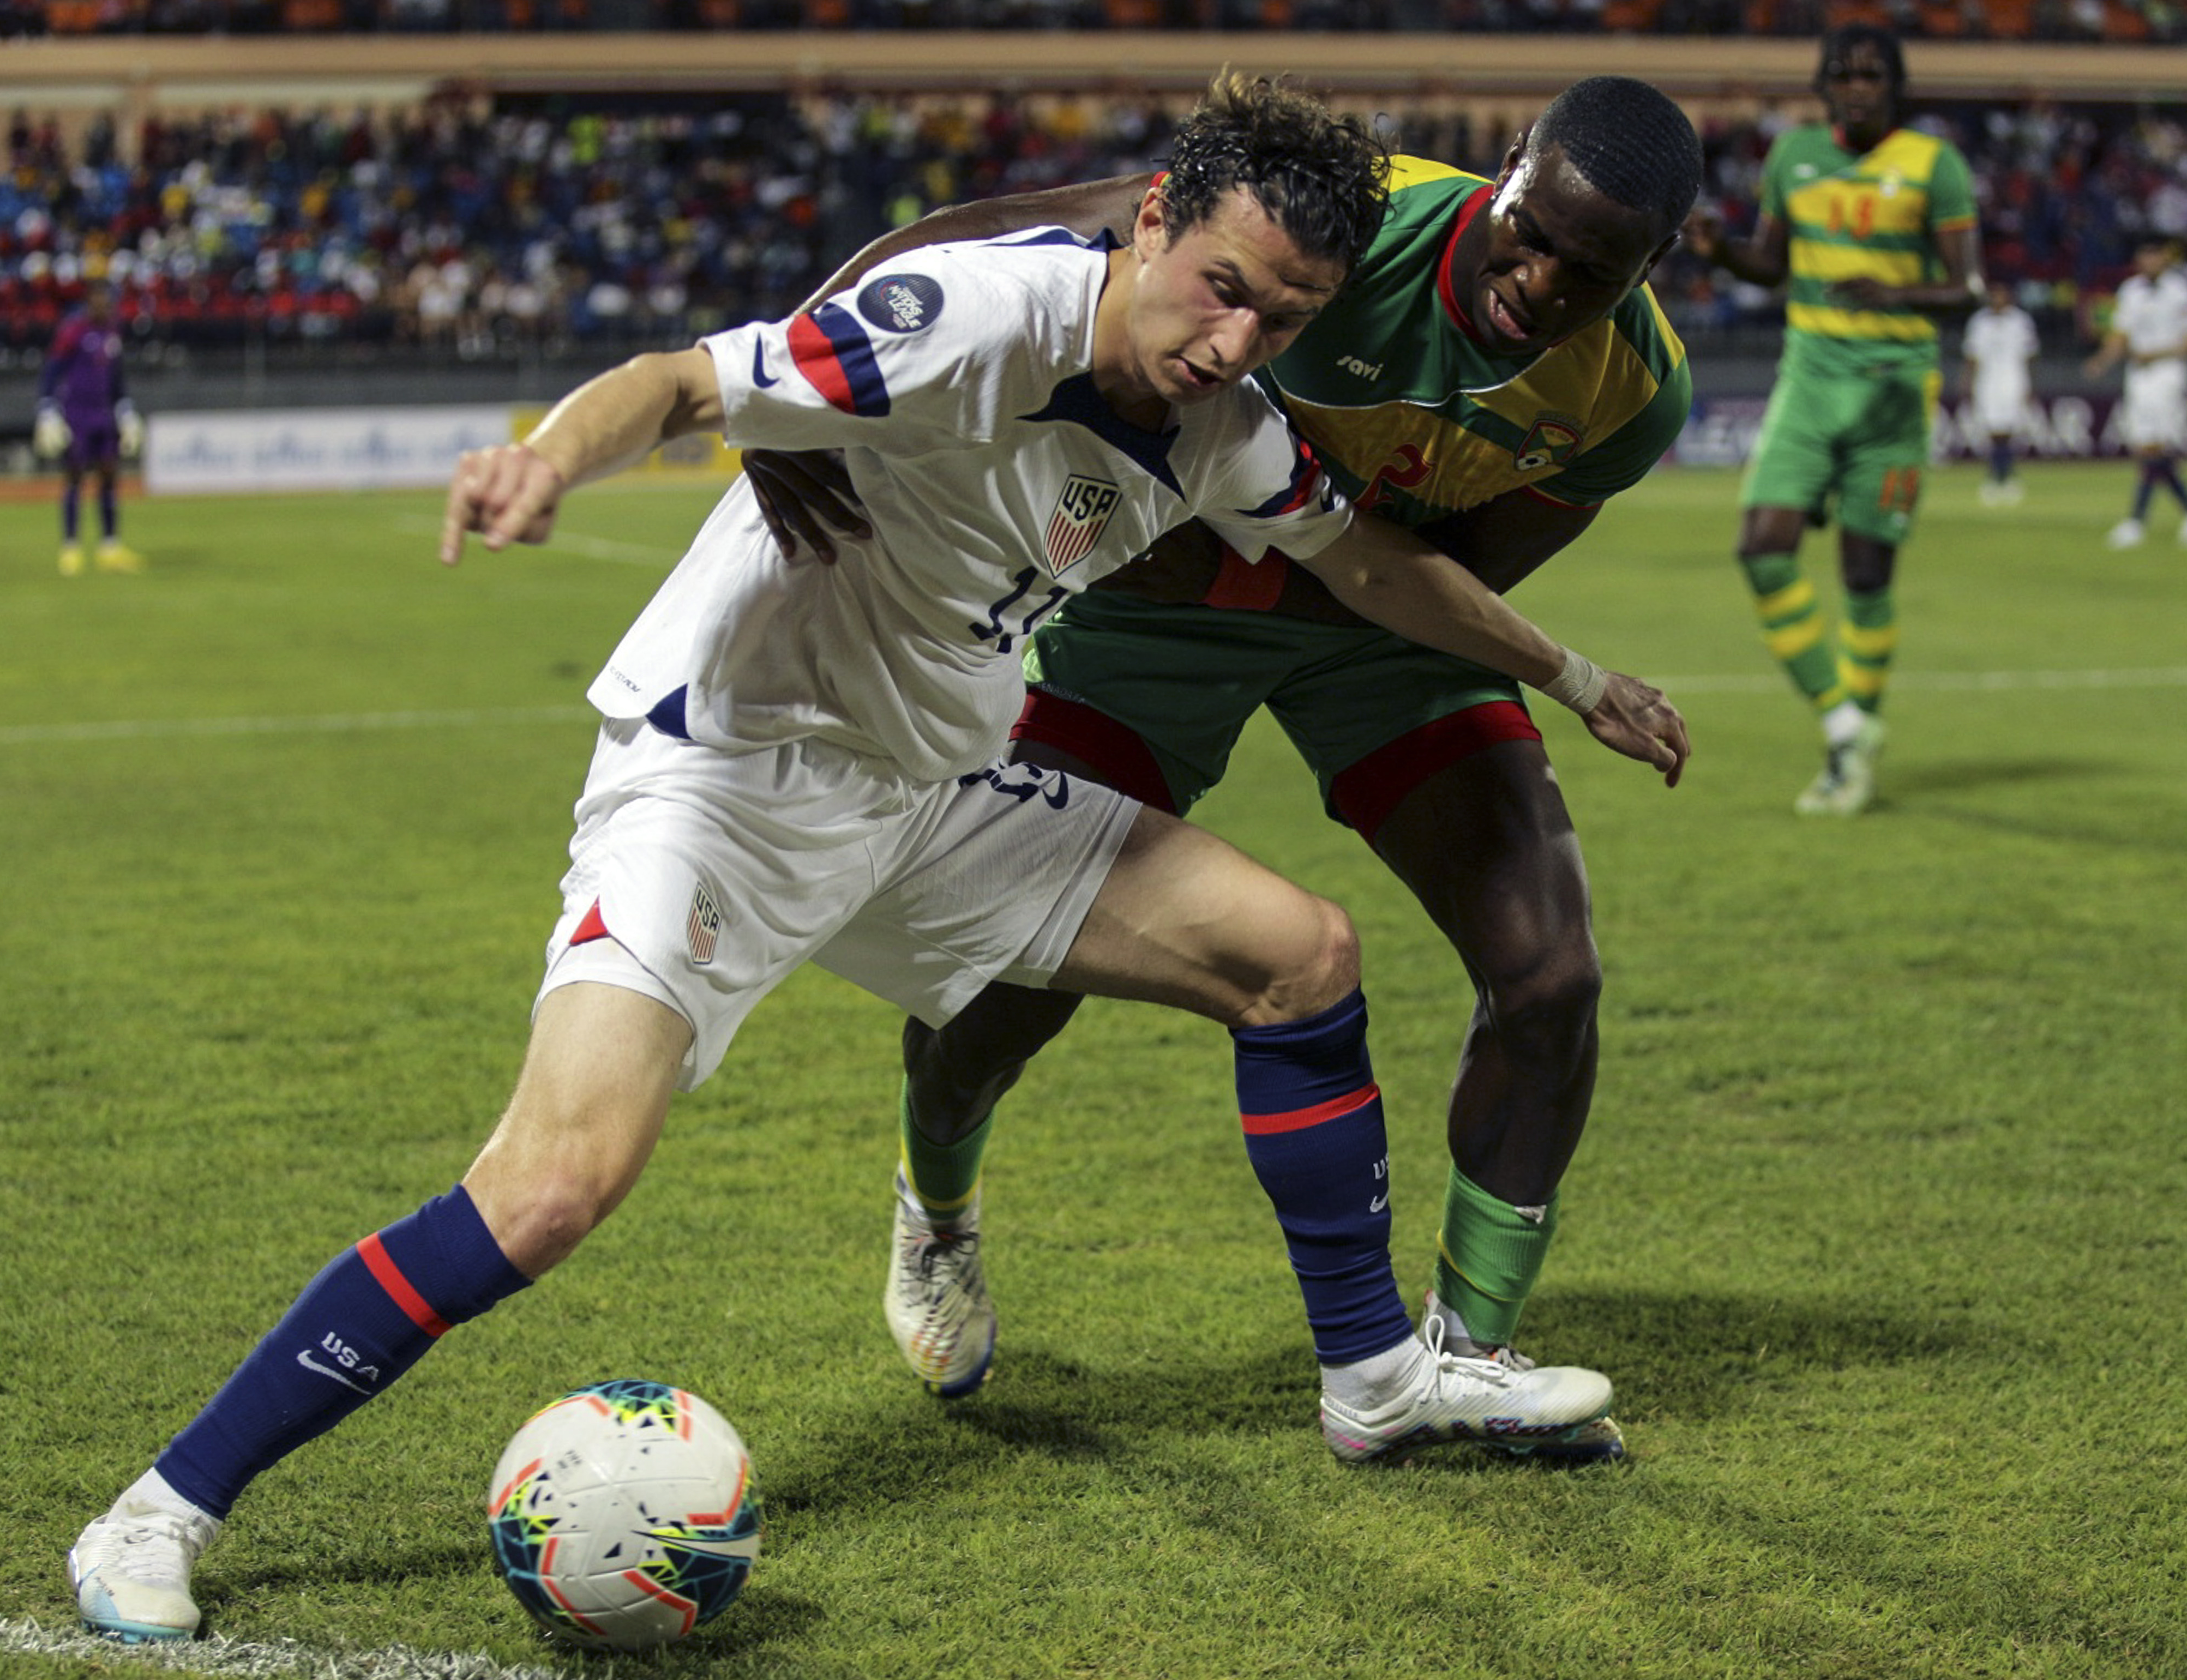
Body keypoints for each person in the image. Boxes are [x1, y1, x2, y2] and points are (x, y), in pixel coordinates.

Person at [65, 76, 1689, 1645]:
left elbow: (1384, 571)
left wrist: (1576, 681)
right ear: (1149, 223)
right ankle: (162, 1506)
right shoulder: (973, 319)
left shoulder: (1221, 430)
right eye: (1217, 293)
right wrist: (544, 459)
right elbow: (679, 382)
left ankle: (1375, 1384)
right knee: (553, 1186)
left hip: (932, 797)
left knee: (1299, 955)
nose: (1232, 345)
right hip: (727, 789)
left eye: (1279, 318)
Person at [753, 75, 1702, 1464]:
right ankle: (935, 1214)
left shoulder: (1632, 392)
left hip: (1380, 623)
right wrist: (797, 372)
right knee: (1010, 980)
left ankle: (1467, 1352)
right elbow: (975, 242)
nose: (1538, 280)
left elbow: (1467, 576)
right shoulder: (1351, 221)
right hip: (1152, 613)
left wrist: (1537, 664)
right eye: (1529, 232)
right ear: (1504, 173)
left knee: (1549, 971)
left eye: (1588, 271)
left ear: (1645, 274)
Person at [1686, 24, 1984, 817]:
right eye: (1842, 76)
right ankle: (1842, 716)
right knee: (1760, 548)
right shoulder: (1792, 157)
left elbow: (1967, 289)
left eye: (1871, 75)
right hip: (1809, 380)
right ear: (1821, 87)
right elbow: (1773, 263)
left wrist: (1898, 295)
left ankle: (1849, 755)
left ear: (1895, 86)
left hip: (1892, 391)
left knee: (1863, 573)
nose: (1856, 88)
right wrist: (1720, 253)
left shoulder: (1933, 166)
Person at [34, 279, 146, 577]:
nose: (104, 304)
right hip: (76, 414)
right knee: (75, 477)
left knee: (109, 476)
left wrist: (127, 412)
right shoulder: (73, 332)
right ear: (89, 301)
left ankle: (110, 546)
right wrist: (47, 409)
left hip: (104, 414)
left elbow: (117, 380)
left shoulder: (112, 334)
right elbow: (52, 372)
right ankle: (70, 547)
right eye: (99, 299)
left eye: (107, 300)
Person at [2082, 235, 2187, 549]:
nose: (2149, 263)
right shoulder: (2130, 291)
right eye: (2145, 257)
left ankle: (2136, 521)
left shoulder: (2180, 291)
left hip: (2168, 374)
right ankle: (2146, 519)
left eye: (2155, 257)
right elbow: (2120, 334)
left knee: (2155, 447)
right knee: (2147, 449)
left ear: (2165, 259)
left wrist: (2155, 355)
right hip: (2138, 377)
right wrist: (2102, 361)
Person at [1962, 278, 2039, 508]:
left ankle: (2005, 477)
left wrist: (2029, 386)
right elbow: (1972, 357)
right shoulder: (1979, 322)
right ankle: (1998, 477)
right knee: (1993, 431)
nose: (1996, 298)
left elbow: (2030, 356)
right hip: (1987, 382)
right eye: (1993, 294)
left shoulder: (2020, 321)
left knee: (2009, 430)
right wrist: (1967, 383)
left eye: (2000, 293)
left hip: (2013, 380)